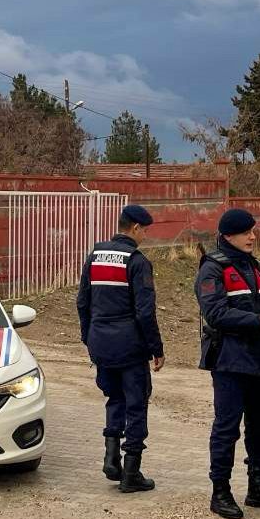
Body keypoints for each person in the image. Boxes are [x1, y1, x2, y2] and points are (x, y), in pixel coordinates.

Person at [195, 208, 260, 519]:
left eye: (253, 231)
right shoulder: (212, 269)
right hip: (230, 360)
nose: (253, 237)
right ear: (228, 236)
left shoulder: (256, 267)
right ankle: (220, 491)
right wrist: (258, 320)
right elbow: (215, 313)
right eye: (246, 232)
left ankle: (257, 486)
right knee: (227, 427)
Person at [77, 204, 164, 493]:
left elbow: (82, 302)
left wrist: (88, 337)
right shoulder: (137, 261)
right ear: (135, 228)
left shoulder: (96, 255)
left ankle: (111, 459)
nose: (145, 237)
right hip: (129, 346)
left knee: (114, 398)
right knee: (136, 404)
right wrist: (157, 349)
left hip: (101, 343)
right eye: (145, 231)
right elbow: (144, 312)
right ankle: (131, 473)